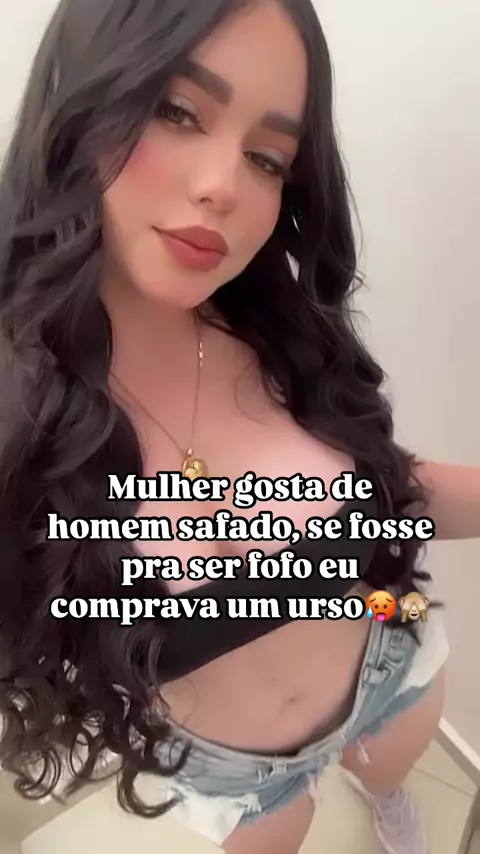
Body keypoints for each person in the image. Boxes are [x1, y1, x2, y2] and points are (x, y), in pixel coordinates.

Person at [0, 1, 478, 852]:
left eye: (268, 159)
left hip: (392, 670)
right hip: (237, 775)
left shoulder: (283, 337)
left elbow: (395, 493)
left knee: (395, 780)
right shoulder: (18, 424)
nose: (224, 185)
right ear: (79, 108)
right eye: (177, 111)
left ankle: (389, 805)